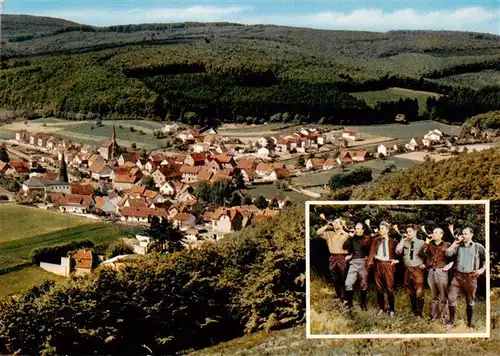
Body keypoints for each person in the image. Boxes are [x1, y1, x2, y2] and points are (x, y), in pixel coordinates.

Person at [445, 227, 486, 328]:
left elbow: (486, 260)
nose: (463, 235)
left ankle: (470, 323)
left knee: (470, 301)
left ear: (471, 235)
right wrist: (455, 243)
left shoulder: (478, 247)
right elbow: (448, 253)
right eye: (462, 234)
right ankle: (451, 321)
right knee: (451, 297)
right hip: (458, 277)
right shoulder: (458, 246)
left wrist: (482, 269)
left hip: (471, 278)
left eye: (465, 234)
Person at [419, 227, 453, 322]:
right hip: (431, 272)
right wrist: (426, 242)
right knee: (434, 296)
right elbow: (421, 253)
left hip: (441, 272)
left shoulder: (447, 245)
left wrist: (450, 265)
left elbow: (453, 257)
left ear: (441, 235)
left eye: (436, 233)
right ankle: (434, 317)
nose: (434, 234)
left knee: (443, 296)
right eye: (433, 232)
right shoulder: (429, 245)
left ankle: (444, 317)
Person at [367, 221, 399, 317]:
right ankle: (381, 307)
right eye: (380, 228)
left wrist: (397, 260)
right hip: (377, 264)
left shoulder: (393, 241)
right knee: (379, 288)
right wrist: (371, 235)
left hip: (388, 265)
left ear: (387, 230)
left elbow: (400, 253)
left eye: (382, 229)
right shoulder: (375, 240)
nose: (380, 230)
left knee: (389, 288)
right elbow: (365, 244)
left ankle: (391, 309)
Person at [317, 217, 350, 301]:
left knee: (343, 277)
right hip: (332, 257)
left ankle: (345, 297)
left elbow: (354, 246)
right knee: (335, 278)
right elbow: (318, 232)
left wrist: (350, 256)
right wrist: (327, 225)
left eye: (336, 222)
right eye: (333, 222)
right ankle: (338, 296)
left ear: (341, 224)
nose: (334, 224)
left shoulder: (347, 235)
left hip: (342, 257)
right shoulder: (329, 234)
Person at [395, 224, 426, 317]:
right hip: (407, 269)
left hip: (417, 269)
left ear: (415, 232)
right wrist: (402, 240)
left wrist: (425, 264)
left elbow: (427, 254)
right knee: (410, 290)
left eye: (410, 232)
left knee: (419, 291)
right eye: (407, 232)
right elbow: (397, 251)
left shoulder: (421, 242)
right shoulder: (405, 242)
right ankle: (414, 310)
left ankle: (420, 313)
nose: (408, 233)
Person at [342, 222, 372, 310]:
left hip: (363, 262)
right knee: (348, 283)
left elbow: (371, 250)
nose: (356, 230)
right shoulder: (352, 238)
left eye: (358, 228)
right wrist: (350, 237)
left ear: (363, 230)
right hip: (354, 262)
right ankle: (350, 304)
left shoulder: (366, 239)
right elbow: (345, 246)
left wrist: (368, 259)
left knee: (363, 284)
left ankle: (363, 304)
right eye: (356, 228)